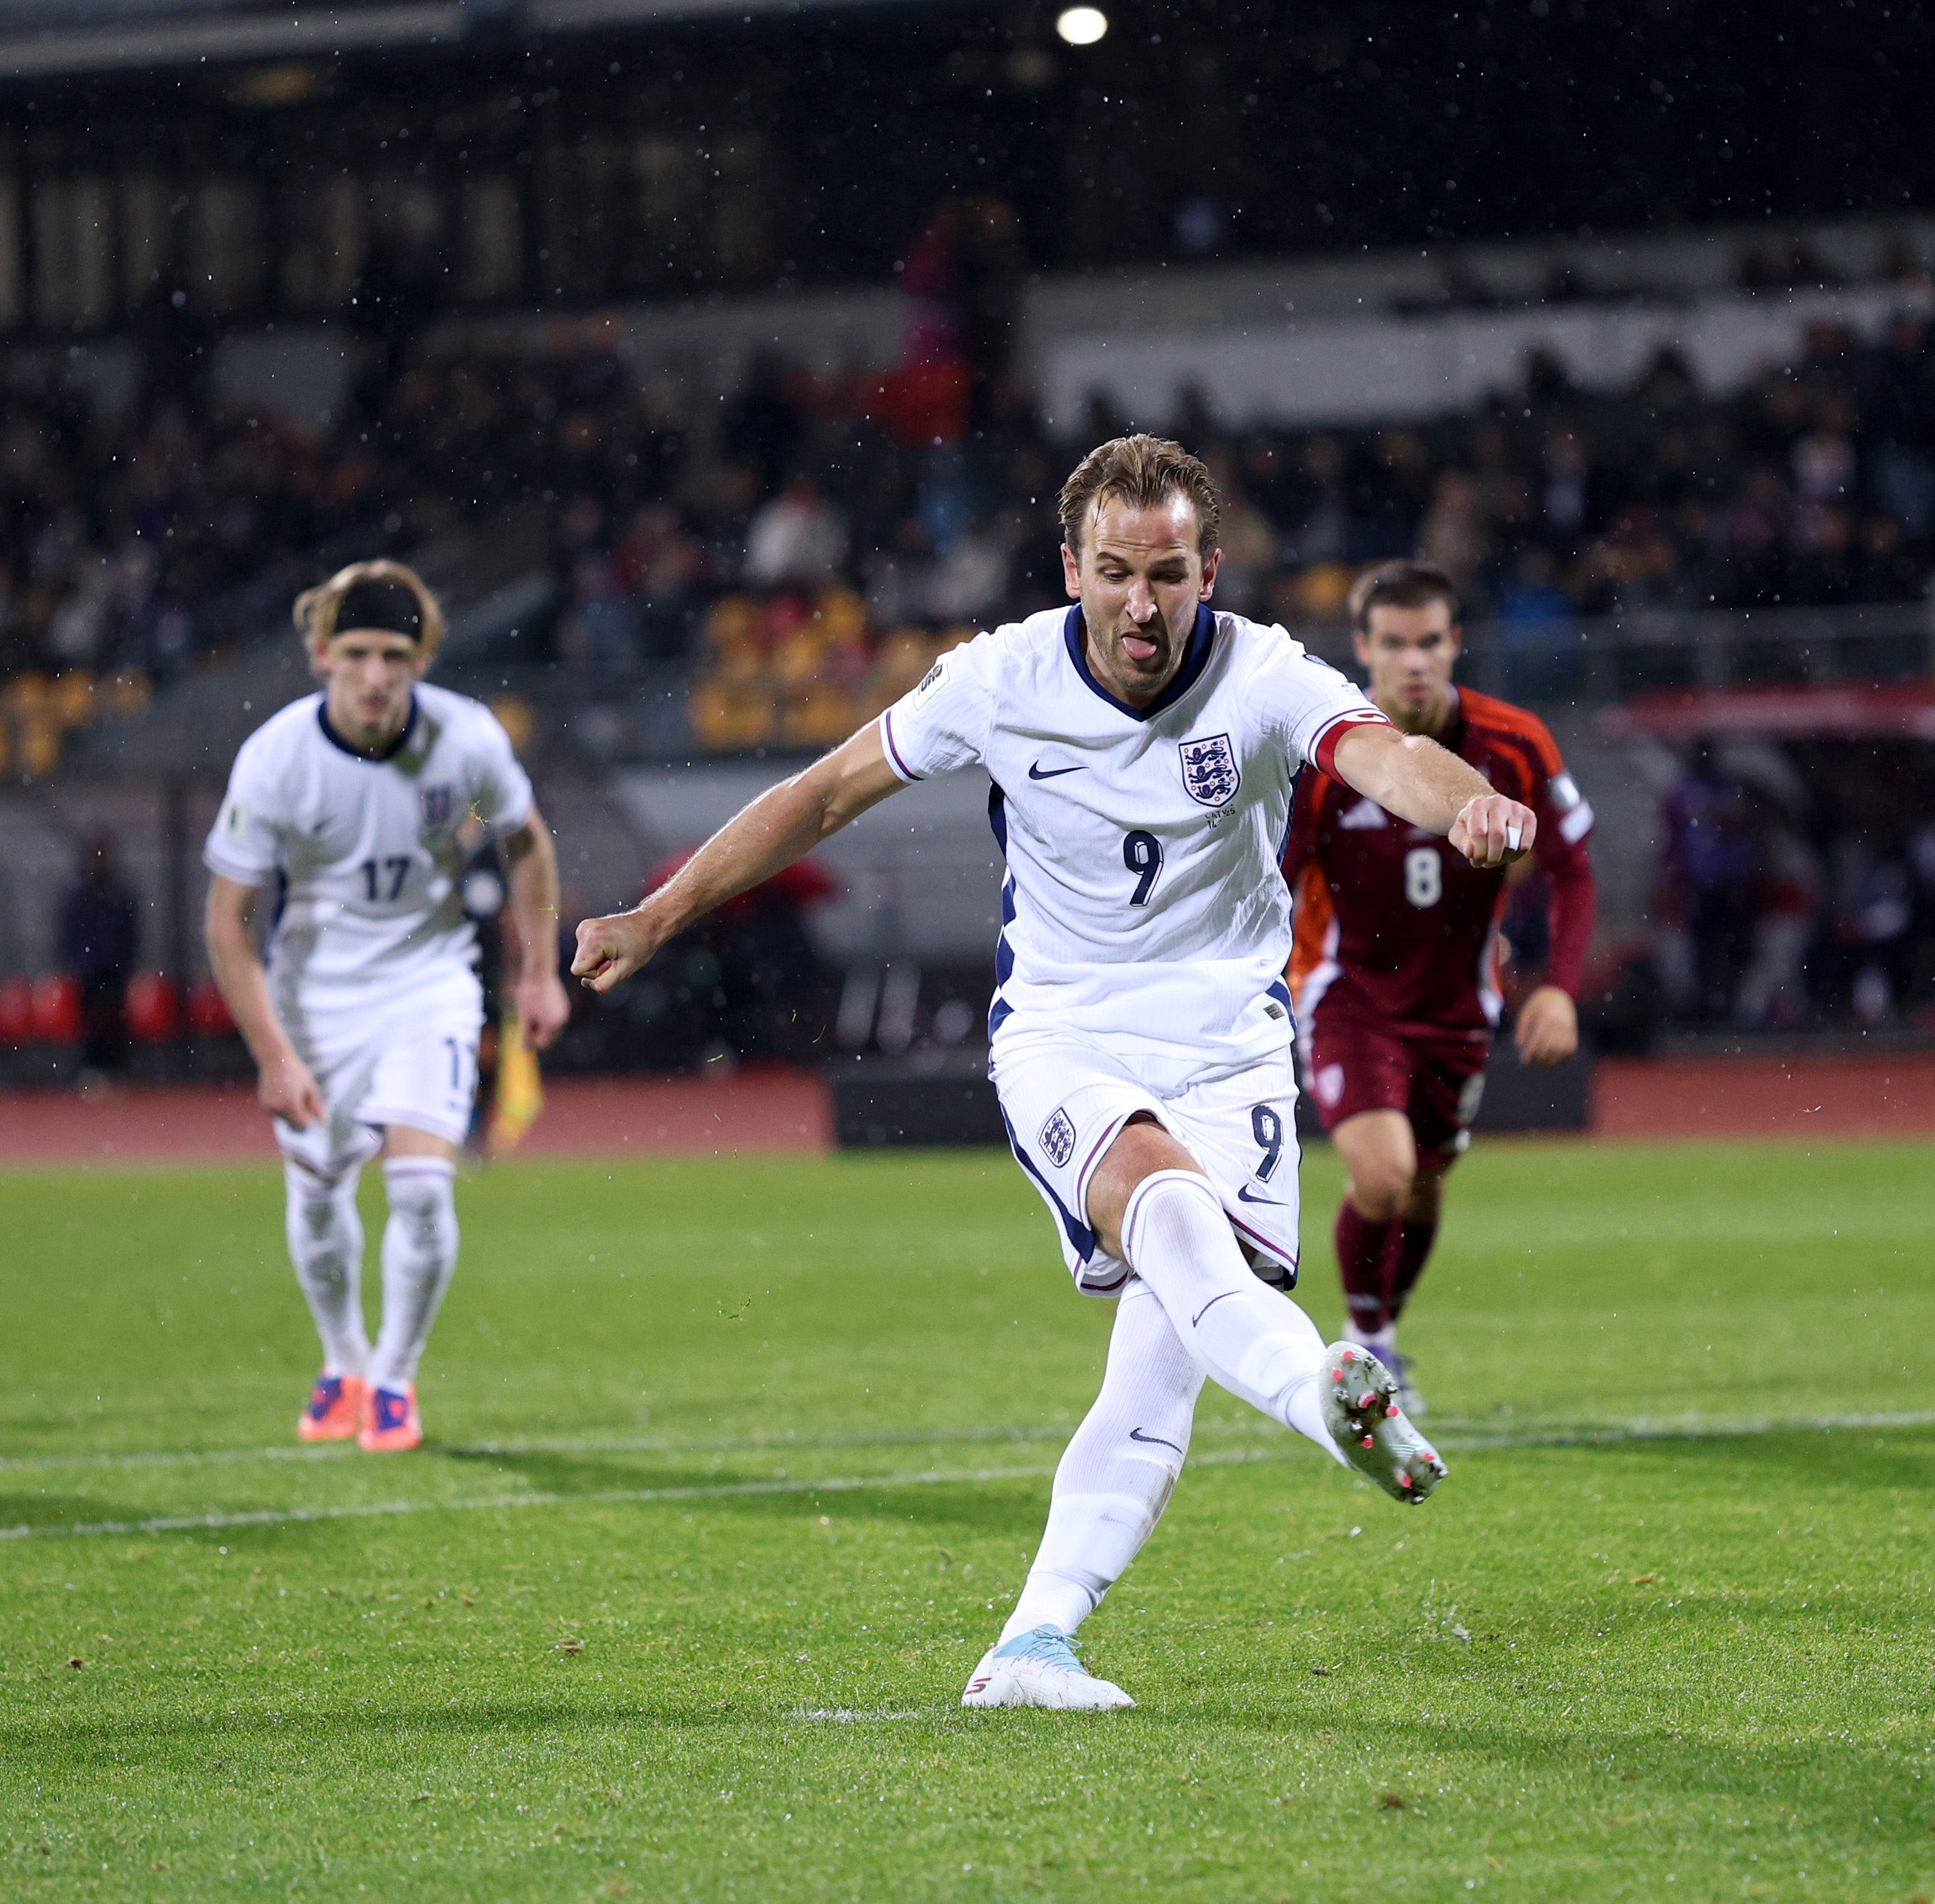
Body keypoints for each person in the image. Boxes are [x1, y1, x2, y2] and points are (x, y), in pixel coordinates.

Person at [571, 437, 1536, 1711]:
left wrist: (1468, 799)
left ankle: (1033, 1642)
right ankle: (1325, 1393)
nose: (1144, 604)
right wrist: (659, 911)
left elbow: (1384, 756)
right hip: (1068, 1034)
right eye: (1118, 572)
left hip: (1231, 1047)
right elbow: (819, 794)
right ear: (1072, 565)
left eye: (1171, 573)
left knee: (1159, 1362)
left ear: (1211, 570)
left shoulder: (1260, 672)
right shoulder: (998, 677)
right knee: (1177, 1224)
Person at [202, 561, 568, 1454]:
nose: (375, 675)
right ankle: (344, 1363)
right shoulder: (278, 759)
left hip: (427, 981)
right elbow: (226, 921)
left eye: (395, 656)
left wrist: (538, 971)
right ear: (323, 655)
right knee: (321, 1190)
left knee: (422, 1189)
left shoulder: (467, 739)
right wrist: (274, 1055)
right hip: (313, 998)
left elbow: (527, 845)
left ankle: (396, 1380)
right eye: (358, 652)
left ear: (421, 659)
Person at [1283, 560, 1596, 1412]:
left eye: (1429, 641)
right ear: (1364, 650)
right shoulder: (1328, 754)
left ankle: (1380, 1335)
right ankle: (1362, 1341)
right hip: (1347, 994)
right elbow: (1275, 879)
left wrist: (1558, 986)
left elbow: (1572, 869)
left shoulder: (1515, 742)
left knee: (1424, 1185)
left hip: (1459, 1004)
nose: (1412, 661)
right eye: (1393, 643)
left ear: (1455, 644)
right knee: (1383, 1177)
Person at [57, 835, 139, 1081]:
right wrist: (80, 962)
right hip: (89, 971)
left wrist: (119, 960)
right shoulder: (79, 895)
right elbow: (70, 932)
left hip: (114, 970)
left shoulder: (119, 895)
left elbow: (129, 933)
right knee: (90, 1022)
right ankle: (91, 1068)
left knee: (115, 1019)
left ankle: (116, 1068)